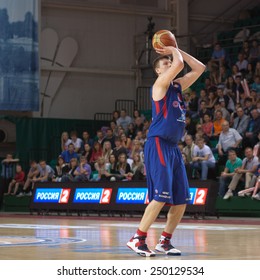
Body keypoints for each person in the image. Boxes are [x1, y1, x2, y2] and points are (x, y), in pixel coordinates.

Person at [127, 43, 205, 257]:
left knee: (181, 200)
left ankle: (164, 242)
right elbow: (179, 63)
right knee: (160, 195)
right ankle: (138, 238)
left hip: (172, 147)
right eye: (165, 62)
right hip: (158, 143)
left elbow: (199, 68)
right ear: (159, 70)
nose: (170, 63)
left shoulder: (178, 87)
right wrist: (173, 50)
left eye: (170, 61)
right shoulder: (159, 84)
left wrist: (177, 48)